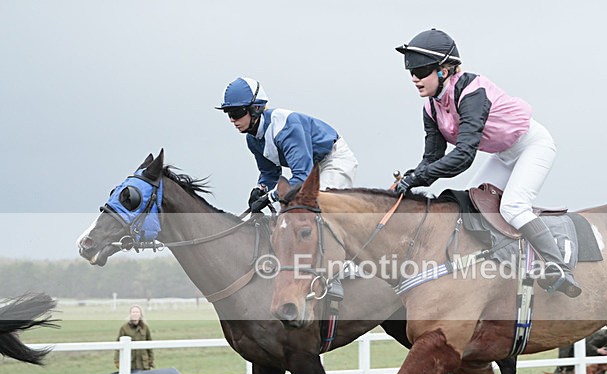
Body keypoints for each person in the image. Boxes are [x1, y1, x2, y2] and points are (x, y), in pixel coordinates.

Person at [394, 29, 580, 297]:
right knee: (469, 207)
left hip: (532, 145)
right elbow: (432, 158)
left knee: (514, 206)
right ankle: (494, 269)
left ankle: (558, 266)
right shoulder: (431, 107)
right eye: (410, 70)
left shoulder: (472, 92)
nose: (414, 78)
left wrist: (418, 178)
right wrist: (410, 181)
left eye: (421, 70)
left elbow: (464, 156)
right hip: (503, 154)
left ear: (444, 70)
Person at [216, 76, 358, 212]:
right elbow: (270, 173)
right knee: (279, 212)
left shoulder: (285, 128)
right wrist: (261, 189)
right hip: (310, 167)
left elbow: (303, 176)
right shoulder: (252, 139)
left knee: (314, 204)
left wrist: (270, 197)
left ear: (256, 108)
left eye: (236, 113)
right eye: (228, 114)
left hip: (333, 160)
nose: (232, 120)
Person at [115, 305, 154, 371]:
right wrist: (117, 361)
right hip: (130, 363)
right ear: (130, 314)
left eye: (137, 312)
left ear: (140, 314)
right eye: (133, 312)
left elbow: (150, 345)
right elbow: (118, 346)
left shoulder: (145, 327)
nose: (135, 314)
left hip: (144, 363)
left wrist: (151, 359)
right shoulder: (124, 328)